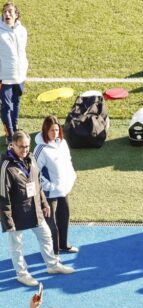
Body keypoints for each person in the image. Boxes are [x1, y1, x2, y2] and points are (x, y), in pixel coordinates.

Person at [1, 130, 75, 286]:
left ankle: (53, 265)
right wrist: (8, 221)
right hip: (16, 213)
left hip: (34, 208)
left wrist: (44, 203)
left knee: (46, 235)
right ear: (12, 145)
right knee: (17, 245)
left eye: (27, 146)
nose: (25, 150)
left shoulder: (31, 158)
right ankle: (22, 274)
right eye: (21, 147)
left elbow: (37, 183)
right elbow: (3, 195)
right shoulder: (6, 166)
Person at [33, 115, 78, 255]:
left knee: (64, 218)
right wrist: (49, 187)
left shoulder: (62, 143)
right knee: (51, 225)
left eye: (57, 130)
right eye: (51, 130)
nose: (55, 133)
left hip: (63, 190)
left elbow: (68, 161)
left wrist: (72, 176)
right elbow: (35, 172)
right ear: (45, 131)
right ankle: (53, 253)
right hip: (49, 194)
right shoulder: (40, 149)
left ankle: (63, 244)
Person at [0, 2, 27, 139]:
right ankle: (10, 136)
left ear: (16, 15)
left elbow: (22, 52)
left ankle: (15, 128)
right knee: (6, 107)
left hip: (20, 75)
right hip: (4, 77)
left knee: (16, 102)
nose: (7, 14)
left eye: (10, 11)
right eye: (5, 12)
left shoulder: (22, 30)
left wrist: (24, 68)